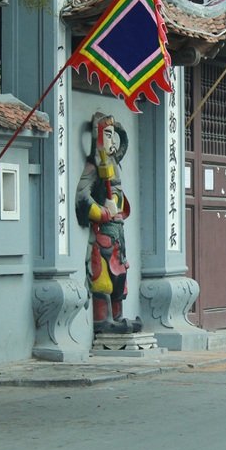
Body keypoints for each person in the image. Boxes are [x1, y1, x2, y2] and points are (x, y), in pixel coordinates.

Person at [75, 112, 141, 334]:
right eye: (108, 136)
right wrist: (104, 211)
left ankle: (119, 316)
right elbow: (83, 199)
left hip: (118, 235)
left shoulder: (115, 164)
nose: (113, 142)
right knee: (103, 277)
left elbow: (122, 146)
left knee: (120, 274)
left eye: (115, 137)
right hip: (102, 234)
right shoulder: (94, 167)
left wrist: (118, 130)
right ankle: (102, 320)